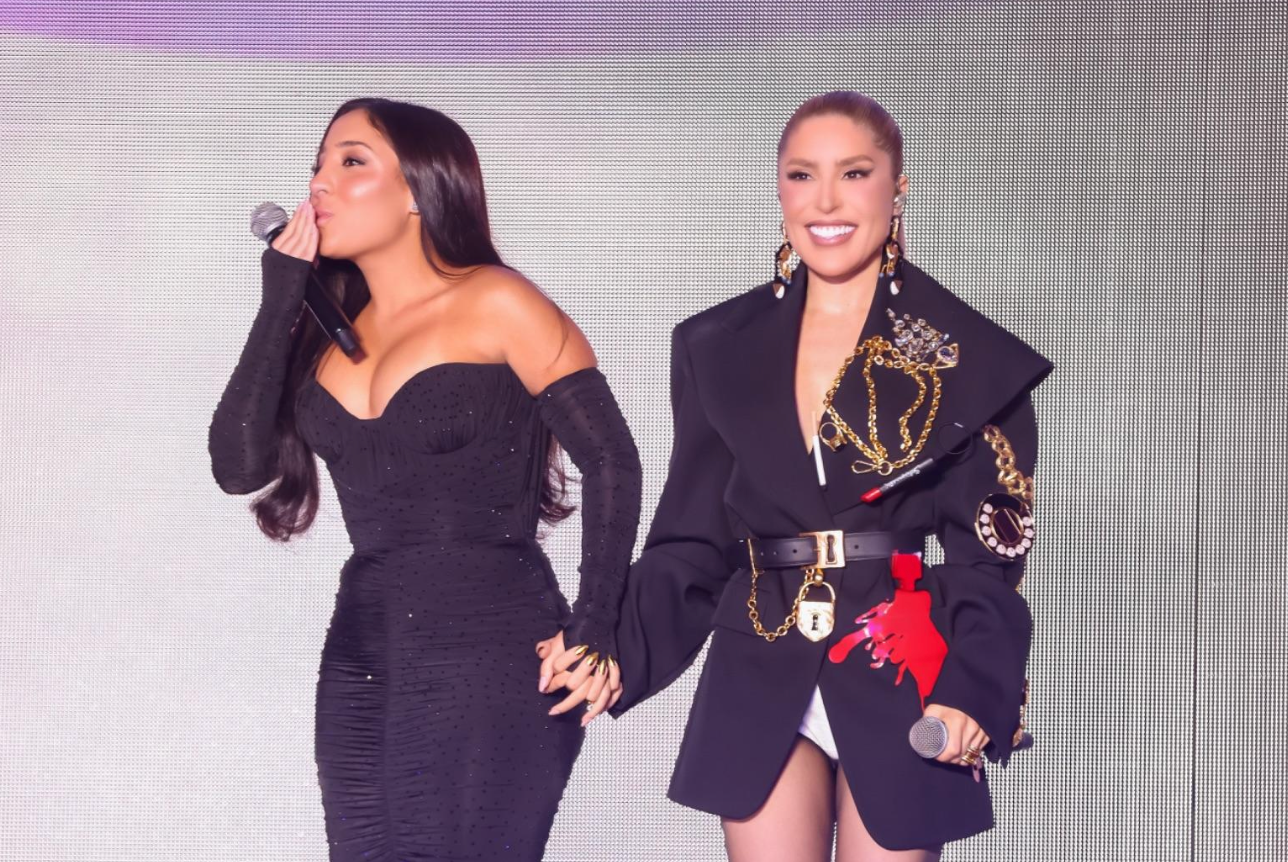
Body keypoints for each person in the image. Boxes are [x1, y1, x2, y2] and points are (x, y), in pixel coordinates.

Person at [606, 92, 1053, 860]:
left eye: (854, 173)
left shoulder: (969, 358)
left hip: (901, 662)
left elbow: (990, 560)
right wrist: (610, 649)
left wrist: (974, 686)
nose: (825, 201)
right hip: (759, 654)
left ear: (897, 187)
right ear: (778, 189)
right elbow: (691, 539)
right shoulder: (716, 346)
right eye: (801, 175)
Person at [207, 97, 641, 861]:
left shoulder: (496, 300)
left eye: (351, 161)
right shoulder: (329, 336)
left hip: (493, 647)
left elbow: (611, 457)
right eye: (317, 165)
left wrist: (594, 624)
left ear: (418, 189)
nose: (319, 184)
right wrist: (281, 297)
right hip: (363, 650)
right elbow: (237, 466)